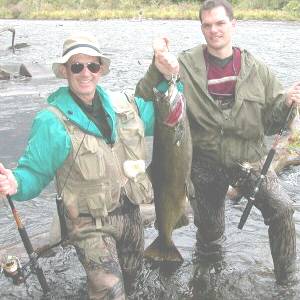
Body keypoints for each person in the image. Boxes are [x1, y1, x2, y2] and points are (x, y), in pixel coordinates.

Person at [134, 0, 300, 288]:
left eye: (220, 23)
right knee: (209, 233)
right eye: (207, 25)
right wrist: (157, 63)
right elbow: (145, 95)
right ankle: (209, 285)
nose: (214, 30)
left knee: (283, 209)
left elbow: (273, 124)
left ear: (233, 25)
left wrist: (287, 103)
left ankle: (287, 281)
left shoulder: (257, 69)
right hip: (203, 163)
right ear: (201, 28)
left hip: (249, 161)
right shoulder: (183, 64)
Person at [0, 32, 156, 299]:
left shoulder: (122, 105)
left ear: (100, 70)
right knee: (110, 292)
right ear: (65, 71)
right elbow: (34, 173)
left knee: (134, 284)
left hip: (130, 213)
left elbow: (163, 113)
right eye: (77, 66)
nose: (86, 73)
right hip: (88, 224)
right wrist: (15, 183)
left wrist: (168, 74)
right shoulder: (51, 121)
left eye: (92, 66)